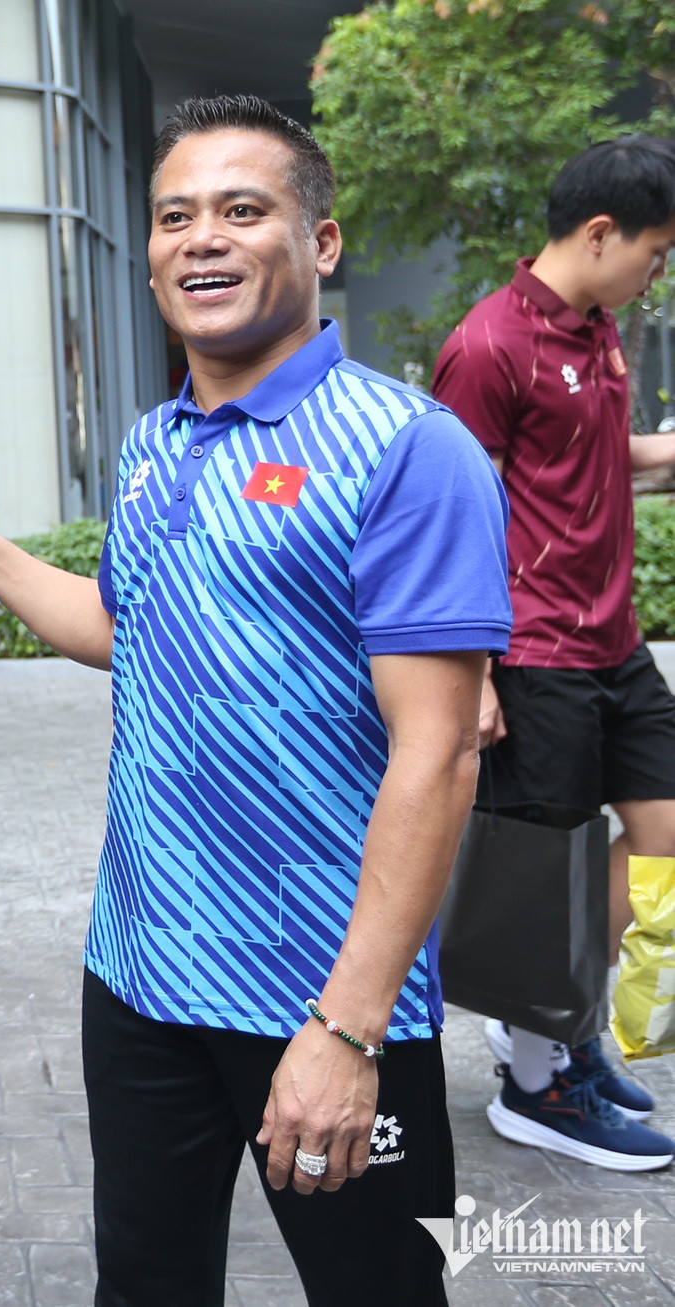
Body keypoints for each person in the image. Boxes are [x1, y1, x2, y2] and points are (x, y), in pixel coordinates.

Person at [0, 96, 510, 1305]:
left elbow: (437, 754)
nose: (200, 238)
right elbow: (123, 629)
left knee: (380, 1290)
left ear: (320, 241)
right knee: (144, 1282)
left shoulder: (406, 448)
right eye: (174, 216)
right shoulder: (153, 443)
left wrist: (346, 1030)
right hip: (137, 973)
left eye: (241, 209)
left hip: (321, 990)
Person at [433, 134, 675, 1170]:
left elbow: (595, 458)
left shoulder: (597, 329)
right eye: (657, 252)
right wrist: (476, 673)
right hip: (534, 651)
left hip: (615, 643)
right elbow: (453, 512)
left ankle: (553, 1021)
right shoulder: (488, 345)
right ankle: (538, 1085)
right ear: (601, 233)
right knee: (547, 874)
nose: (658, 272)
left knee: (663, 839)